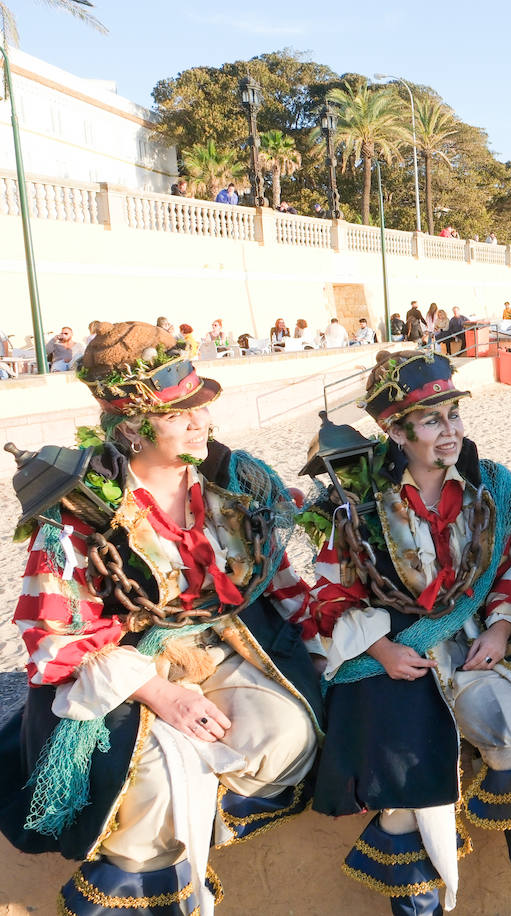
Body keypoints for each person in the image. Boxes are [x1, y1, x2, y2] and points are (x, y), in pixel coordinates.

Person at [0, 320, 322, 913]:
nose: (202, 421)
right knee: (150, 784)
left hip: (217, 646)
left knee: (287, 736)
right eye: (179, 414)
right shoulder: (75, 514)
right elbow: (48, 637)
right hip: (120, 672)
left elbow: (274, 578)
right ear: (131, 429)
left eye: (200, 407)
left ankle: (196, 819)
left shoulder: (231, 485)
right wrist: (161, 695)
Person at [302, 350, 511, 916]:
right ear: (395, 429)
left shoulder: (491, 487)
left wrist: (502, 631)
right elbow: (331, 594)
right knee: (404, 778)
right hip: (393, 657)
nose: (450, 431)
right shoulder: (357, 501)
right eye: (432, 420)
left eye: (453, 415)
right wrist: (383, 649)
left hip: (474, 644)